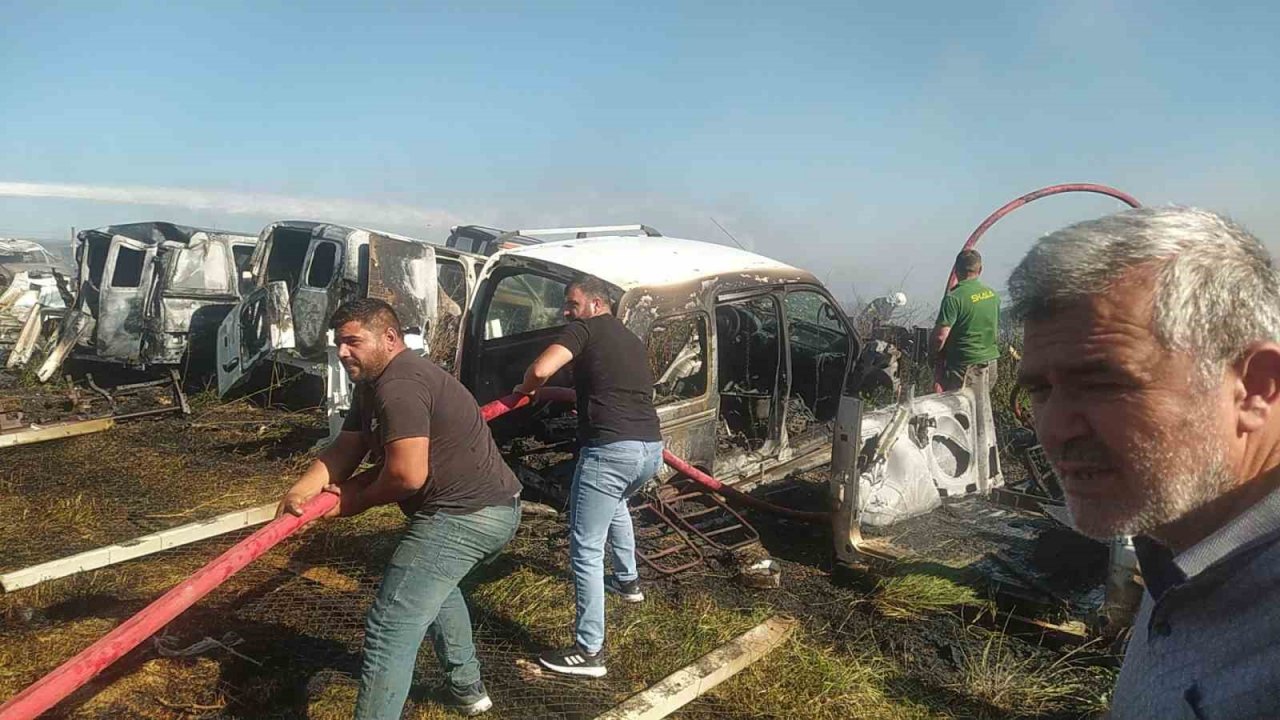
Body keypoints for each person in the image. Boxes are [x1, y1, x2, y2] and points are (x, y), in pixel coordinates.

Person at [1008, 207, 1280, 718]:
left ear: (1255, 389)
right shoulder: (1183, 526)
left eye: (1104, 383)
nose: (1055, 431)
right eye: (1040, 389)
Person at [277, 298, 521, 718]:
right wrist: (302, 491)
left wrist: (350, 500)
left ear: (390, 338)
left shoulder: (400, 384)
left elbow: (407, 476)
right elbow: (348, 445)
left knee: (389, 627)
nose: (341, 352)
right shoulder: (373, 382)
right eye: (338, 342)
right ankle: (468, 691)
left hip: (465, 516)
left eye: (353, 341)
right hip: (488, 507)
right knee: (435, 586)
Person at [514, 274, 664, 678]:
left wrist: (527, 386)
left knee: (585, 546)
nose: (566, 311)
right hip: (650, 450)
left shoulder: (585, 328)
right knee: (616, 506)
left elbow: (544, 367)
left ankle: (589, 650)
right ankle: (629, 583)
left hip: (611, 451)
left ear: (596, 305)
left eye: (572, 303)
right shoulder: (630, 338)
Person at [931, 249, 1000, 391]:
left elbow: (940, 337)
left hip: (965, 367)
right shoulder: (993, 295)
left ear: (956, 270)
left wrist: (932, 356)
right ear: (980, 270)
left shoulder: (954, 298)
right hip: (990, 364)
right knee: (981, 406)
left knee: (961, 409)